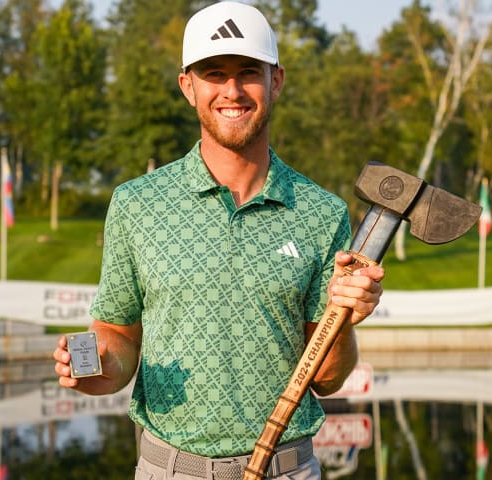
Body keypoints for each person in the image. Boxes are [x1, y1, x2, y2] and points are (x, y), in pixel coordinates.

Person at [52, 2, 385, 478]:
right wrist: (96, 365)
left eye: (249, 72)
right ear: (188, 86)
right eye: (214, 74)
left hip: (286, 469)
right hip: (168, 469)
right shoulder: (137, 203)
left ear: (277, 81)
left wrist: (345, 320)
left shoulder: (321, 212)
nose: (232, 90)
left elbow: (328, 379)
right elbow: (119, 336)